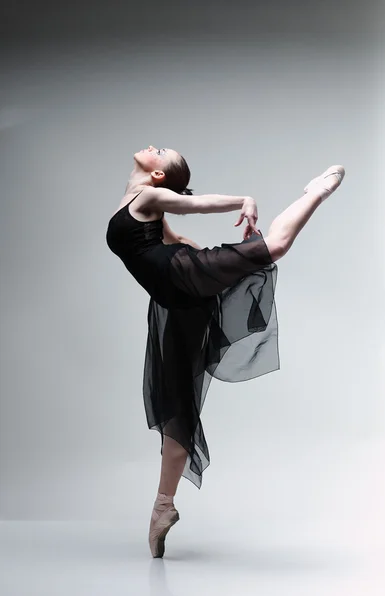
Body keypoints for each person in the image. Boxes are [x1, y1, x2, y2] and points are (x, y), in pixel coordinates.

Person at [106, 145, 345, 558]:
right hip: (175, 296)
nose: (152, 147)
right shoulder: (139, 204)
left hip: (180, 279)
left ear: (159, 176)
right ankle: (163, 507)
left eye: (160, 152)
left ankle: (316, 191)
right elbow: (174, 238)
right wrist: (215, 264)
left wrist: (243, 201)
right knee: (176, 409)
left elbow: (195, 205)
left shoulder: (148, 197)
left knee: (276, 244)